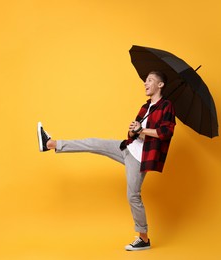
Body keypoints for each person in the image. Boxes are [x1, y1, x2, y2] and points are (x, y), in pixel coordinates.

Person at [37, 71, 176, 251]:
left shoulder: (167, 106)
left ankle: (144, 238)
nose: (145, 83)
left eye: (149, 80)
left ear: (160, 85)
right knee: (93, 143)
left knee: (133, 195)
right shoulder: (146, 106)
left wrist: (142, 130)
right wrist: (135, 130)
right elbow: (134, 132)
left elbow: (166, 133)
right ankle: (50, 143)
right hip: (127, 147)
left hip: (140, 158)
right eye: (145, 81)